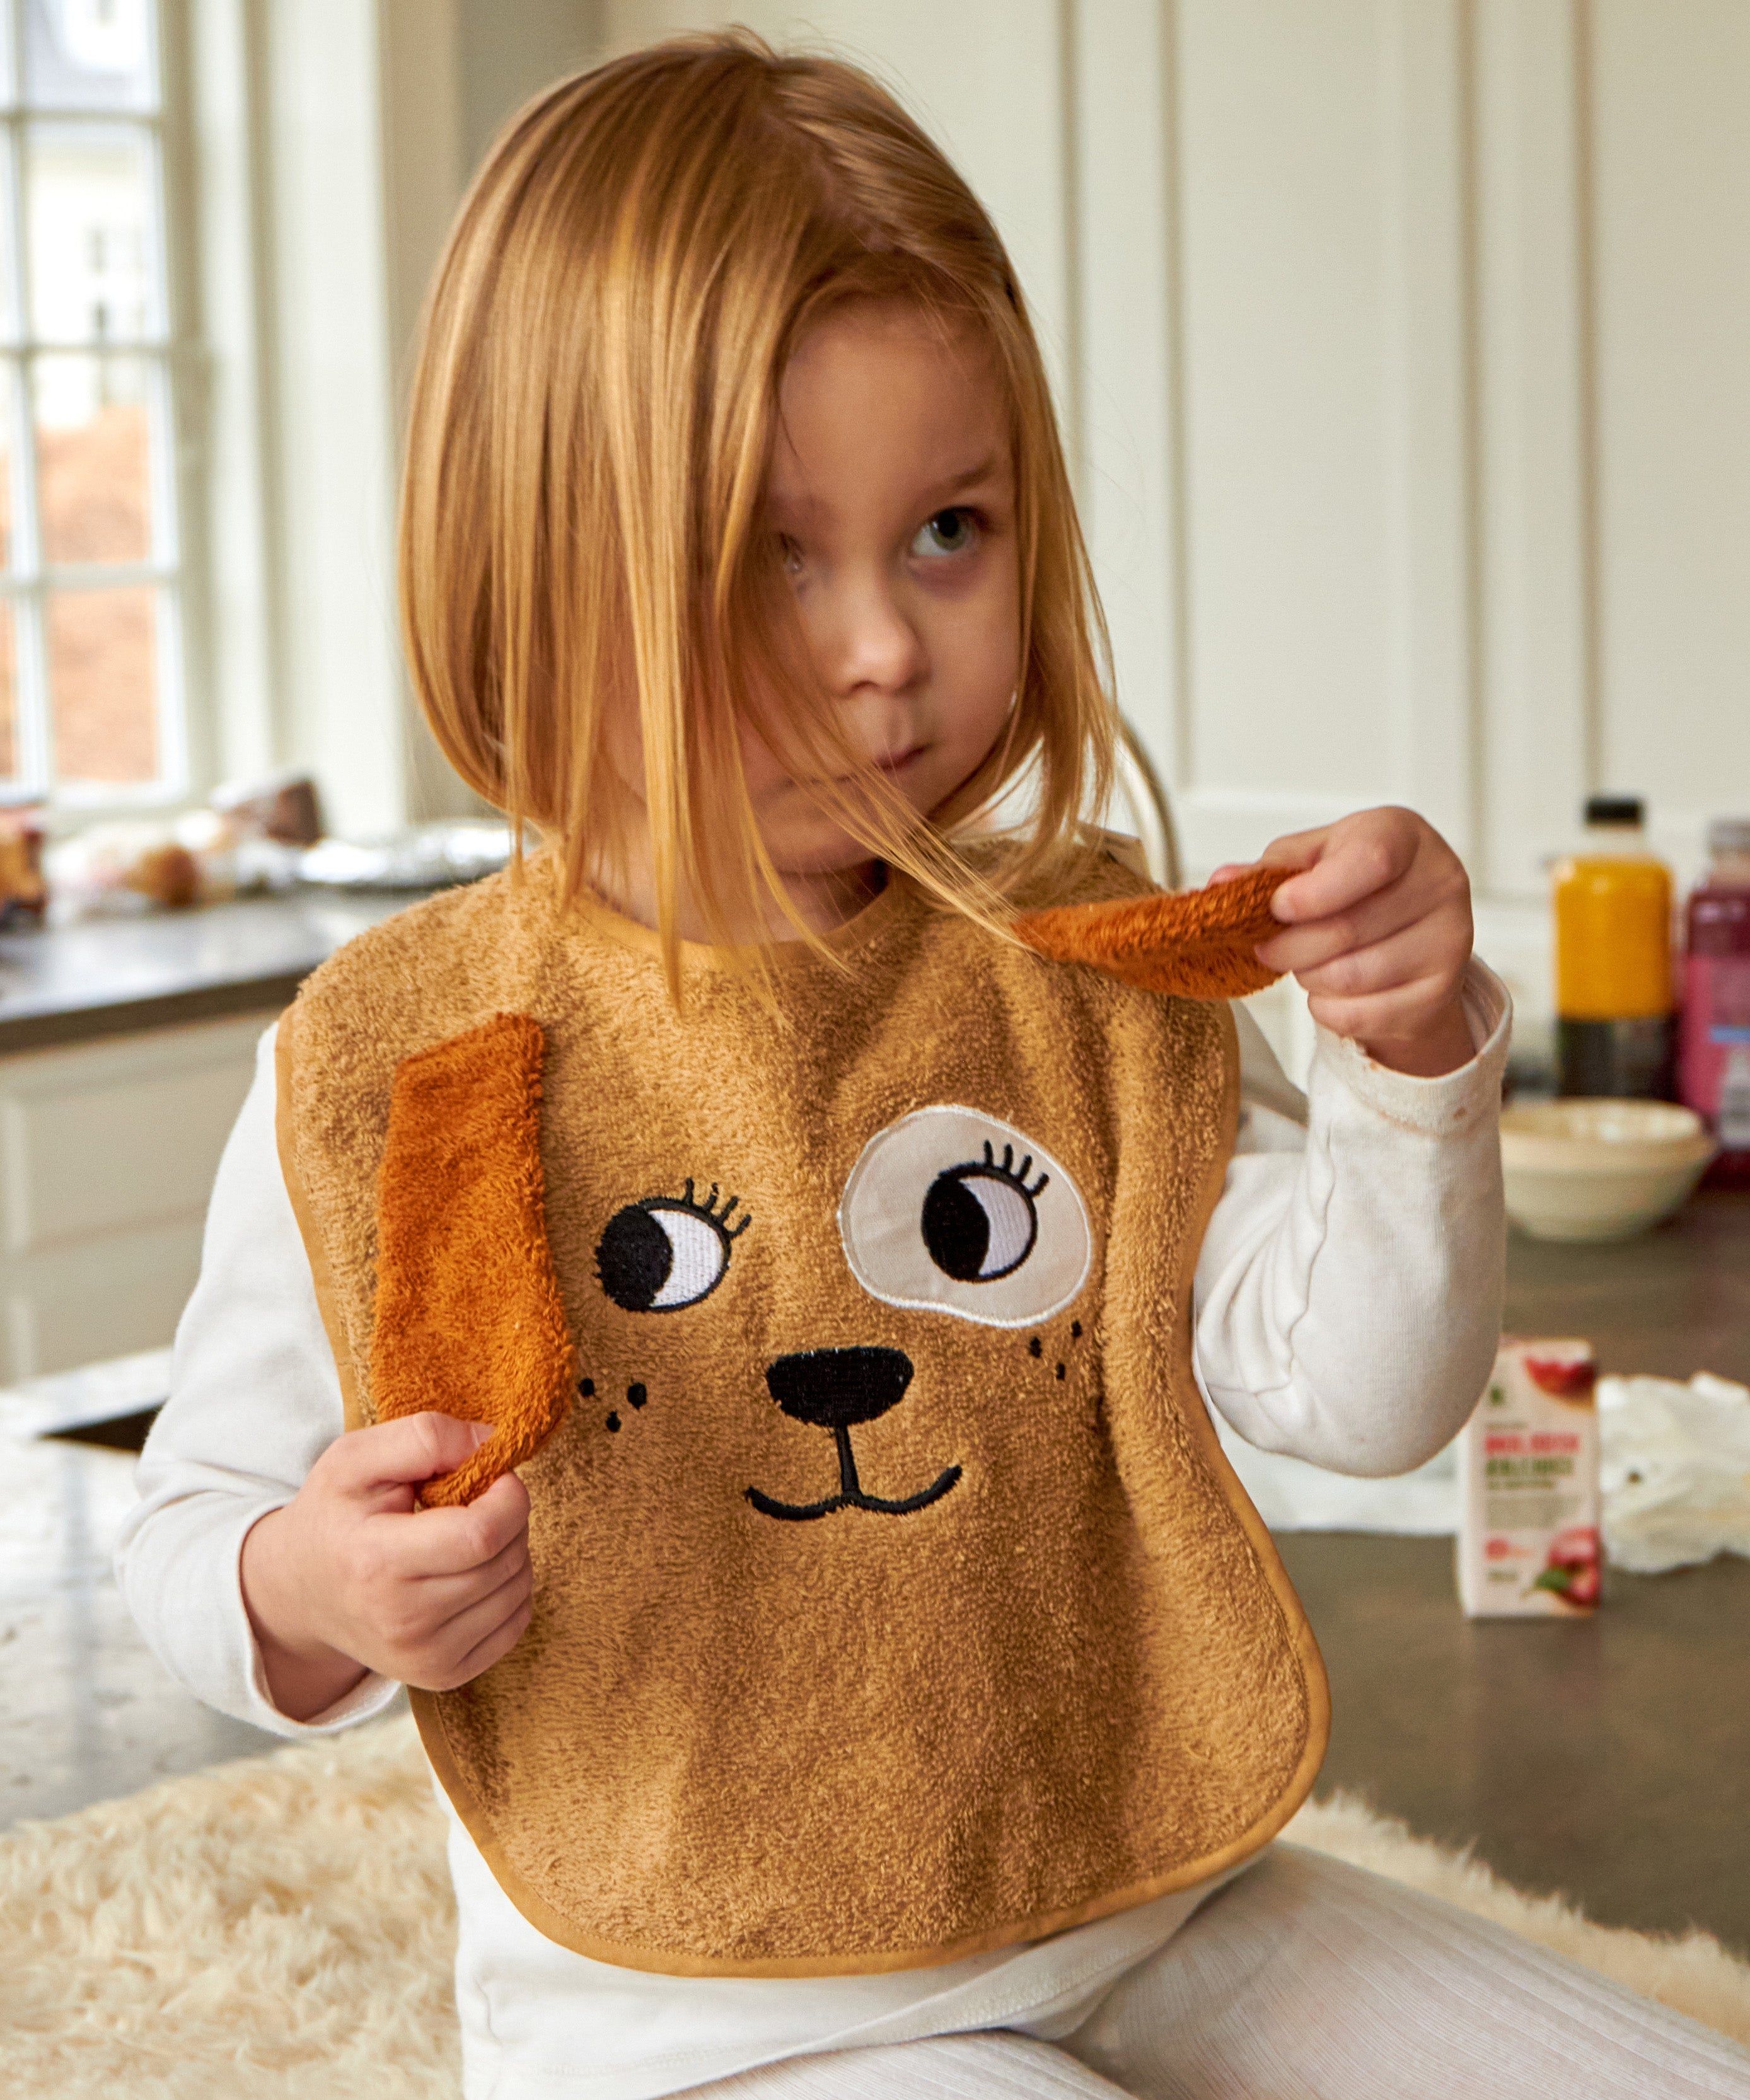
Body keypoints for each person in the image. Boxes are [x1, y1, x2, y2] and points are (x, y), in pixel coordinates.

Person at [117, 32, 1750, 2100]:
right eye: (774, 557)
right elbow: (192, 1527)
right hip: (707, 2020)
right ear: (545, 565)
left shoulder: (1065, 969)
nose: (883, 642)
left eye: (949, 529)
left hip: (1155, 1897)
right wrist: (314, 1581)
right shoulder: (403, 1054)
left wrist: (1406, 1061)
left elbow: (1362, 1396)